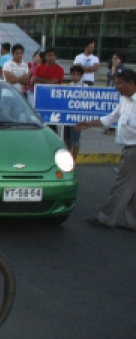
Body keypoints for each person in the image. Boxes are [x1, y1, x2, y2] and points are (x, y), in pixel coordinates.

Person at [75, 69, 136, 230]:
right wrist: (89, 123)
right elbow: (111, 118)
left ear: (131, 84)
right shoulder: (124, 99)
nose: (117, 86)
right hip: (128, 147)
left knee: (122, 185)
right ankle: (133, 221)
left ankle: (106, 218)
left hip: (134, 149)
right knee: (131, 188)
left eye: (119, 83)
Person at [64, 65, 86, 162]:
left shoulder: (85, 87)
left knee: (75, 141)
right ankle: (68, 159)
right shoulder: (69, 86)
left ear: (81, 76)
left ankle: (74, 160)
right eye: (73, 74)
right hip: (68, 118)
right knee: (67, 140)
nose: (75, 77)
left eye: (78, 75)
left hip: (77, 118)